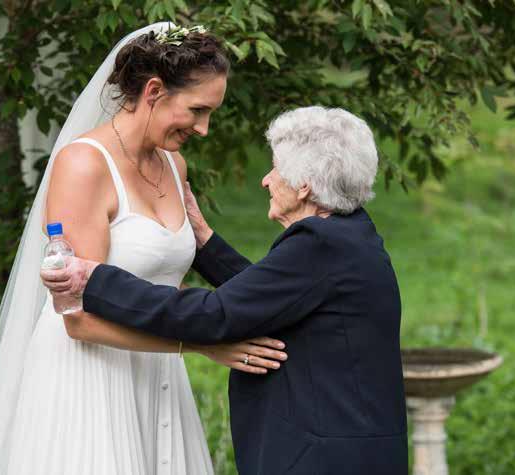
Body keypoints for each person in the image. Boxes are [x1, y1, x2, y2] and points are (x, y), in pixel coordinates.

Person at [0, 23, 287, 475]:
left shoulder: (174, 163)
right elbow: (79, 319)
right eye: (197, 110)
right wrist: (203, 344)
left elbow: (167, 284)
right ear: (153, 91)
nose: (204, 129)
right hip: (90, 377)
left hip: (158, 373)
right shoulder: (84, 165)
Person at [42, 106, 409, 475]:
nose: (266, 180)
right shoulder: (351, 234)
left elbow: (213, 315)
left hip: (323, 459)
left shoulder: (319, 243)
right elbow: (270, 297)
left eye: (276, 169)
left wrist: (96, 278)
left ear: (304, 187)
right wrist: (204, 241)